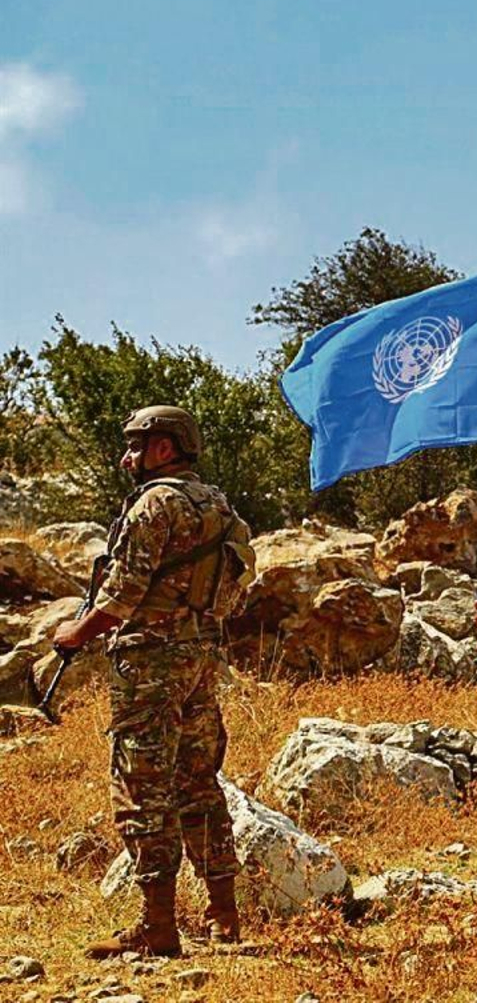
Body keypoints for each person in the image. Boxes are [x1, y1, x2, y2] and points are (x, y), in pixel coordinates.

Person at [53, 406, 253, 958]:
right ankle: (223, 916)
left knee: (142, 788)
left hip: (148, 665)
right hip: (200, 659)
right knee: (199, 783)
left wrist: (75, 633)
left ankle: (157, 925)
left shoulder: (154, 504)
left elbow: (120, 596)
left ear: (165, 449)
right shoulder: (218, 505)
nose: (128, 458)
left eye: (137, 447)